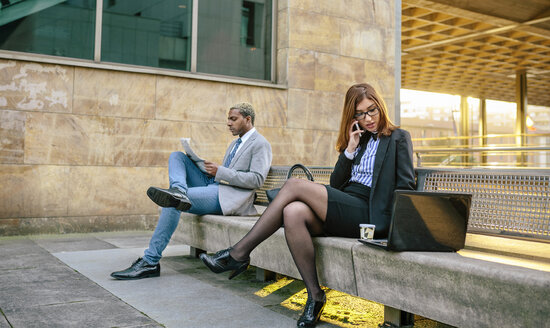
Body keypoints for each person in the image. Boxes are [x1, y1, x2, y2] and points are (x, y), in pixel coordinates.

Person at [199, 83, 416, 327]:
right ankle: (315, 295)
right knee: (293, 212)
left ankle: (239, 252)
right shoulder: (360, 139)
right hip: (348, 204)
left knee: (294, 185)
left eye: (372, 110)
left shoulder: (398, 137)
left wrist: (397, 233)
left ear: (380, 106)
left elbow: (406, 187)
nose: (367, 118)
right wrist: (350, 150)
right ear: (352, 116)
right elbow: (337, 182)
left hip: (371, 212)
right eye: (360, 114)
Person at [111, 102, 272, 280]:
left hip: (229, 197)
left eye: (233, 119)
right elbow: (227, 173)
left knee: (172, 202)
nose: (228, 123)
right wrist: (204, 167)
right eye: (228, 119)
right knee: (177, 156)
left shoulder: (260, 144)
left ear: (247, 119)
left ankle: (150, 262)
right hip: (215, 185)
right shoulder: (235, 143)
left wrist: (220, 171)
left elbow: (257, 179)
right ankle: (179, 190)